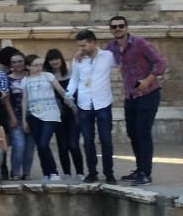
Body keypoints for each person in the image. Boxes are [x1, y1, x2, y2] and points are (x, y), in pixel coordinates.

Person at [106, 15, 167, 186]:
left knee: (143, 132)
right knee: (132, 133)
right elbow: (98, 57)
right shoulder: (111, 48)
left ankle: (146, 173)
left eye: (120, 25)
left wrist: (148, 80)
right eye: (114, 26)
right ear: (110, 30)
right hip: (130, 96)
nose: (117, 29)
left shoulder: (139, 43)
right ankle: (139, 169)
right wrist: (81, 53)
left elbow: (160, 62)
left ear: (126, 27)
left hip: (149, 93)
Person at [66, 29, 117, 184]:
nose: (81, 49)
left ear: (94, 42)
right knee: (88, 141)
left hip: (103, 103)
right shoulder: (78, 59)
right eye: (79, 46)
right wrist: (68, 94)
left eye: (84, 45)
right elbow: (74, 79)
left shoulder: (108, 56)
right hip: (84, 104)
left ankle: (109, 173)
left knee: (106, 140)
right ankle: (92, 172)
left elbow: (122, 62)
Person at [21, 55, 71, 182]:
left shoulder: (49, 76)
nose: (39, 67)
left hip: (50, 113)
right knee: (40, 145)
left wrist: (72, 103)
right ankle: (46, 172)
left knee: (44, 143)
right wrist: (23, 119)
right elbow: (24, 100)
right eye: (35, 65)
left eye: (40, 64)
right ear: (28, 67)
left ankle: (53, 172)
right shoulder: (25, 81)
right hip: (33, 114)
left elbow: (61, 91)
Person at [44, 48, 84, 180]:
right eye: (51, 59)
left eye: (56, 58)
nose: (54, 61)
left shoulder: (71, 74)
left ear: (61, 59)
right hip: (57, 115)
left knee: (73, 144)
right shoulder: (47, 78)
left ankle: (80, 172)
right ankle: (66, 172)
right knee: (62, 145)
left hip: (73, 113)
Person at [5, 50, 34, 180]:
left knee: (29, 147)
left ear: (24, 62)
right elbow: (5, 100)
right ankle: (15, 171)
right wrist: (11, 117)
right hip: (15, 116)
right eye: (14, 62)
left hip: (32, 116)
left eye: (20, 61)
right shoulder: (6, 78)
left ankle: (26, 172)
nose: (17, 64)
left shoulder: (32, 77)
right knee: (19, 145)